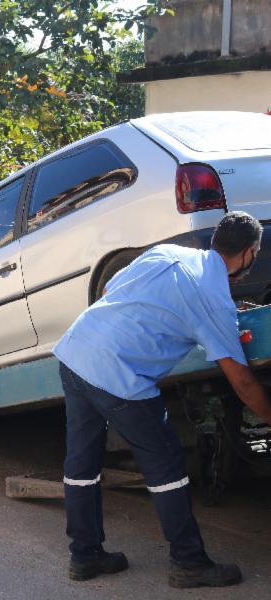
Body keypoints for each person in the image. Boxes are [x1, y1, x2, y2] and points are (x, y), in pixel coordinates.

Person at [54, 211, 271, 588]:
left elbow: (110, 293)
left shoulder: (168, 253)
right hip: (119, 377)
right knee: (166, 465)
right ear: (251, 252)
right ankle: (189, 562)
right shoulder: (213, 297)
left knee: (82, 462)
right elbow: (243, 383)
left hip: (75, 353)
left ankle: (84, 555)